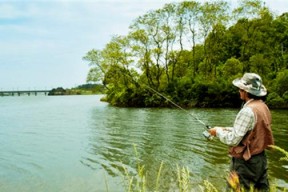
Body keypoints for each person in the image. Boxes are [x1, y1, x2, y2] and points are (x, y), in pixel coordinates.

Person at [208, 73, 274, 191]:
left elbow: (233, 140)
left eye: (240, 89)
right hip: (260, 159)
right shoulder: (263, 107)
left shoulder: (247, 111)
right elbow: (252, 131)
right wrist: (225, 128)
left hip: (245, 163)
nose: (239, 91)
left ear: (245, 91)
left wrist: (217, 132)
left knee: (237, 189)